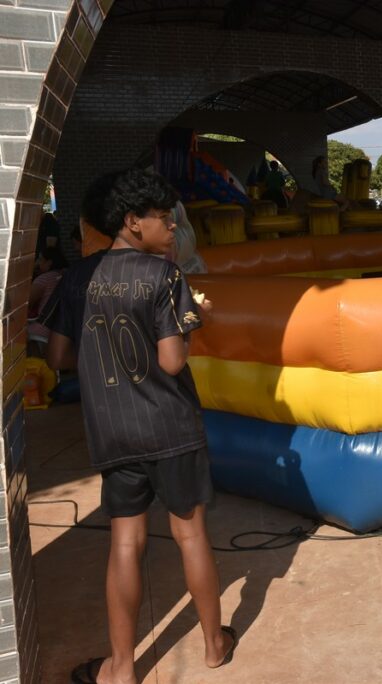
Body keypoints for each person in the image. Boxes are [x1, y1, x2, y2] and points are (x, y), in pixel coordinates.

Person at [44, 169, 235, 683]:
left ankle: (122, 668)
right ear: (132, 221)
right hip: (171, 428)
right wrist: (196, 319)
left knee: (125, 543)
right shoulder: (164, 276)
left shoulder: (76, 278)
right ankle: (214, 645)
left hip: (114, 430)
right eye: (164, 219)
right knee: (190, 534)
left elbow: (58, 356)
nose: (173, 228)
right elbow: (172, 361)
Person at [27, 246, 66, 349]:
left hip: (44, 330)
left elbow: (26, 304)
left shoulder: (44, 279)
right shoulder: (66, 276)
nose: (38, 263)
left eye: (40, 259)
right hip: (63, 332)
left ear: (49, 263)